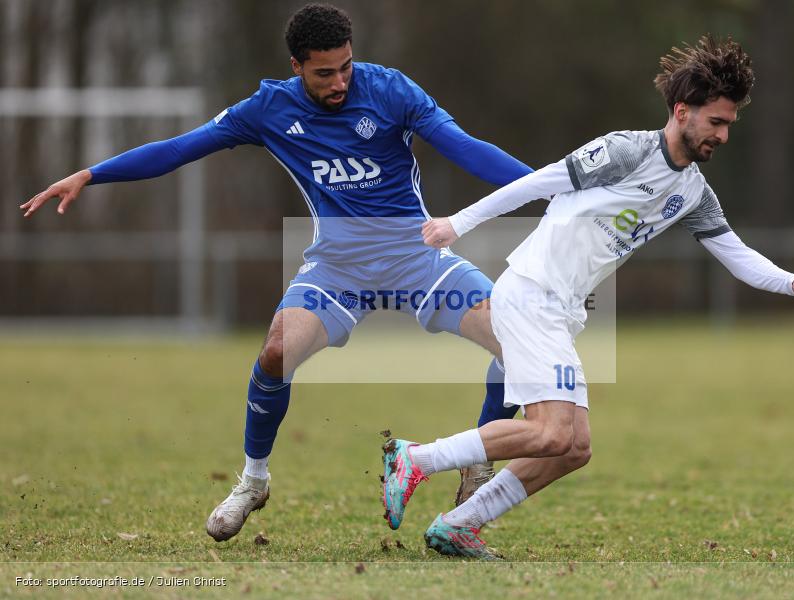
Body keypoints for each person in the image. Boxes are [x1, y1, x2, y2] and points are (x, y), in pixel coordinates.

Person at [21, 3, 528, 542]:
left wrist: (551, 187)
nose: (339, 82)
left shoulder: (392, 91)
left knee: (517, 339)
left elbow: (468, 150)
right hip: (338, 268)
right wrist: (92, 174)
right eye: (324, 73)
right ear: (296, 66)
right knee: (276, 352)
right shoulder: (268, 109)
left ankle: (478, 461)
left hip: (416, 258)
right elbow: (178, 149)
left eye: (346, 67)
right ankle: (253, 481)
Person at [381, 35, 794, 559]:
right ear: (682, 112)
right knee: (551, 432)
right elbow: (539, 183)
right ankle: (416, 458)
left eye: (730, 124)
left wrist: (791, 282)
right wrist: (457, 224)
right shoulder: (625, 151)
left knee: (574, 448)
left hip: (562, 311)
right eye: (716, 122)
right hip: (531, 293)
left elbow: (735, 253)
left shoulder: (693, 191)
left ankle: (458, 525)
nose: (724, 135)